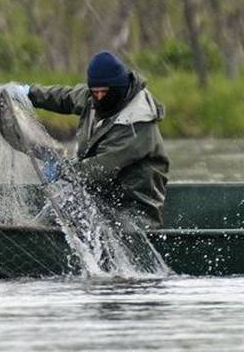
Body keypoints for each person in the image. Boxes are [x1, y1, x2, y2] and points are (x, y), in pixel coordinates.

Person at [13, 51, 170, 228]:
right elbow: (66, 97)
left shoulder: (137, 125)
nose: (99, 97)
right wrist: (29, 94)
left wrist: (62, 170)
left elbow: (99, 169)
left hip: (133, 211)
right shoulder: (95, 96)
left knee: (67, 201)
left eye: (104, 92)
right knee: (59, 204)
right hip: (102, 197)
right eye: (95, 92)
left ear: (119, 88)